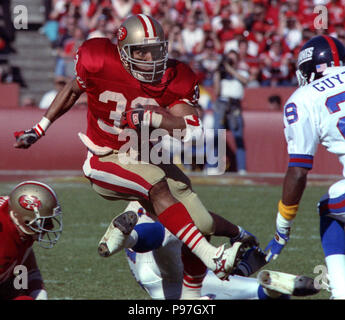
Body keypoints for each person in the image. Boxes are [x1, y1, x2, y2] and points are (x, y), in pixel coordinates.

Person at [13, 14, 248, 283]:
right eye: (142, 51)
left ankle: (186, 283)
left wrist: (153, 117)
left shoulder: (175, 76)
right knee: (156, 185)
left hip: (147, 156)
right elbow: (72, 89)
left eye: (156, 50)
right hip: (105, 156)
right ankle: (211, 256)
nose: (150, 58)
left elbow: (191, 129)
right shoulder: (98, 58)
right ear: (124, 52)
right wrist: (40, 127)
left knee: (202, 224)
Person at [98, 201, 320, 300]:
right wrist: (238, 232)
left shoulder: (137, 191)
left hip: (158, 281)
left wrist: (242, 267)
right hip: (169, 273)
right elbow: (201, 219)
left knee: (177, 232)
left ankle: (272, 290)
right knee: (178, 227)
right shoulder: (159, 186)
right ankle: (130, 238)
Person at [264, 35, 345, 299]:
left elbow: (298, 171)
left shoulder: (305, 97)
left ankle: (341, 291)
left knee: (329, 207)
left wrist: (282, 226)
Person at [0, 181, 63, 300]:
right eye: (45, 221)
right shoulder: (4, 232)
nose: (50, 227)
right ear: (25, 219)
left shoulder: (21, 229)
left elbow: (27, 269)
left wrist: (39, 296)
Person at [212, 49, 249, 175]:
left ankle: (242, 168)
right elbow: (216, 92)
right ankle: (216, 166)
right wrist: (218, 73)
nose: (230, 62)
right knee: (218, 135)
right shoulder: (221, 74)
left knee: (238, 136)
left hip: (234, 106)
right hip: (222, 104)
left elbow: (245, 80)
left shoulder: (242, 71)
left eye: (233, 59)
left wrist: (230, 69)